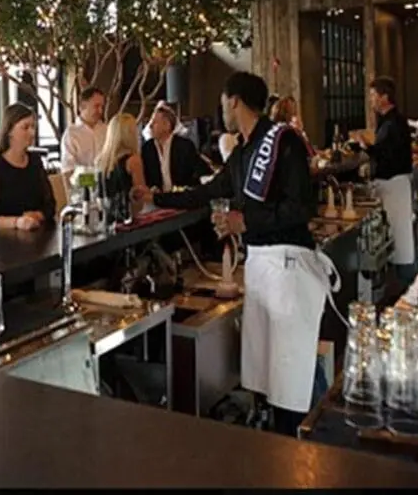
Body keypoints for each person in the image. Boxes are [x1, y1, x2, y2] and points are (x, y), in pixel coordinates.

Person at [141, 71, 335, 437]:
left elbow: (301, 207)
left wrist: (245, 221)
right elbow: (209, 190)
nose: (221, 111)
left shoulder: (283, 141)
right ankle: (286, 448)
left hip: (290, 268)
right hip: (262, 268)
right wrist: (156, 198)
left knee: (294, 372)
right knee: (273, 378)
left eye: (223, 103)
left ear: (234, 101)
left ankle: (320, 444)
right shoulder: (244, 151)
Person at [352, 77, 417, 286]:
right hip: (393, 184)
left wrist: (364, 145)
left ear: (384, 97)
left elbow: (385, 154)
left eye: (373, 95)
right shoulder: (389, 121)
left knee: (400, 236)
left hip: (394, 184)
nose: (370, 100)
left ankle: (408, 283)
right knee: (396, 236)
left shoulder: (393, 123)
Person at [0, 103, 56, 232]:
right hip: (6, 238)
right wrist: (17, 222)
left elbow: (50, 205)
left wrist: (37, 215)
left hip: (38, 233)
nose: (32, 133)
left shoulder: (35, 161)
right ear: (9, 131)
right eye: (25, 127)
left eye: (33, 127)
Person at [141, 102, 212, 192]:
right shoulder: (147, 148)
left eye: (154, 122)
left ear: (167, 125)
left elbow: (200, 172)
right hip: (156, 197)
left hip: (181, 197)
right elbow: (145, 177)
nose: (150, 126)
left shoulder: (185, 147)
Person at [96, 113, 148, 221]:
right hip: (129, 220)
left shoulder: (101, 161)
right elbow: (140, 198)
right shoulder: (133, 161)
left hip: (107, 220)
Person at [60, 87, 107, 176]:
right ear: (82, 107)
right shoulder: (71, 134)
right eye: (96, 106)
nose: (100, 111)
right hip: (82, 183)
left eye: (102, 107)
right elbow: (67, 170)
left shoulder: (106, 130)